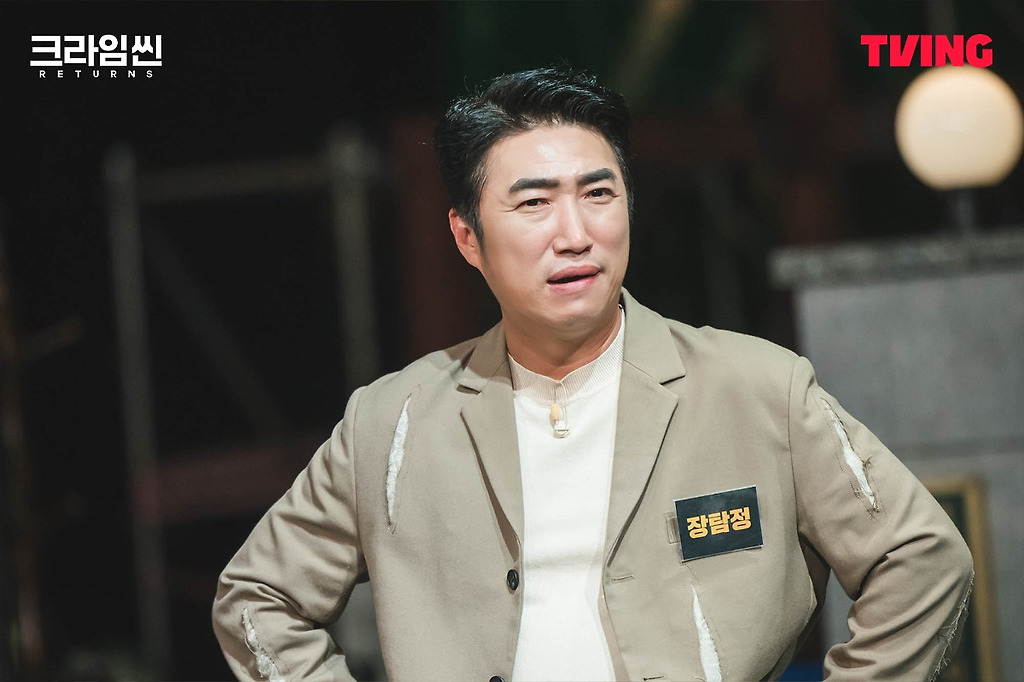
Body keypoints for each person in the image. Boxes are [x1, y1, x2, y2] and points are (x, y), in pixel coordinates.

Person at [212, 66, 974, 682]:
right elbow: (258, 598)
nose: (575, 234)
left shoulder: (757, 388)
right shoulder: (393, 422)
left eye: (599, 194)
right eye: (534, 203)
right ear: (468, 238)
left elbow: (922, 559)